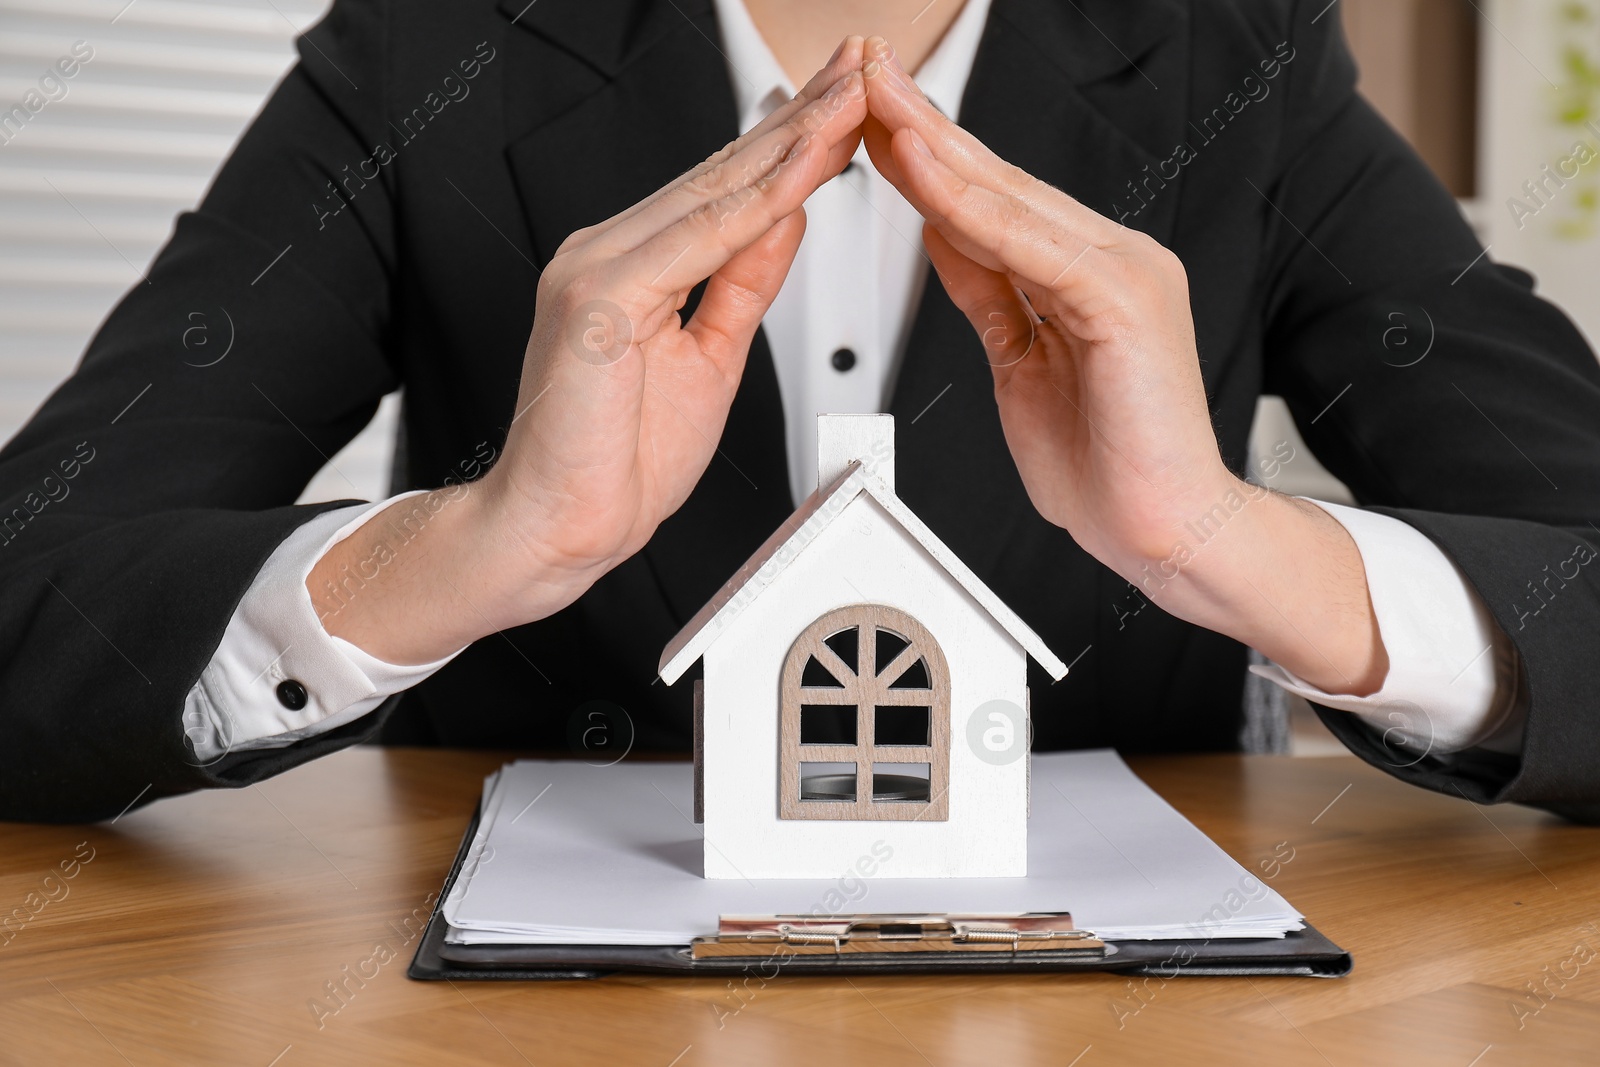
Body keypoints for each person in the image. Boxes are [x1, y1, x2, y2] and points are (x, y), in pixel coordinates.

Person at [2, 0, 1597, 824]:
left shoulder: (1238, 55)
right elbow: (32, 596)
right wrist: (453, 556)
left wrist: (1242, 551)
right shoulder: (430, 46)